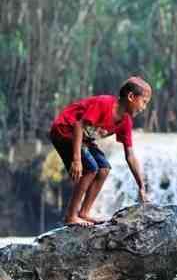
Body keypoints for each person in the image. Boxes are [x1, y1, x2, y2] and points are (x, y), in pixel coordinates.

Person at [49, 76, 152, 227]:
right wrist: (77, 160)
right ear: (131, 97)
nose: (144, 108)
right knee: (90, 168)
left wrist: (141, 186)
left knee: (104, 168)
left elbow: (130, 155)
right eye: (144, 102)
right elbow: (78, 125)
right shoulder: (104, 104)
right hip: (64, 130)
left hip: (83, 138)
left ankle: (84, 212)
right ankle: (71, 216)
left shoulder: (125, 121)